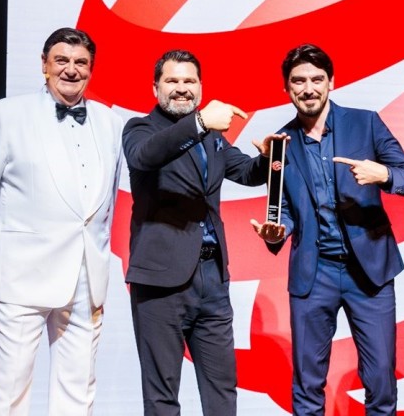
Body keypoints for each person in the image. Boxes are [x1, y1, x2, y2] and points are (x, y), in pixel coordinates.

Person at [0, 27, 124, 415]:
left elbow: (106, 199)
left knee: (78, 390)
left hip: (86, 276)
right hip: (23, 275)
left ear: (91, 69)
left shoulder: (109, 122)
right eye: (62, 60)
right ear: (44, 65)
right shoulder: (7, 115)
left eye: (81, 62)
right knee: (10, 390)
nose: (71, 70)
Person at [250, 43, 404, 415]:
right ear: (287, 87)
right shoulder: (279, 144)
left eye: (316, 79)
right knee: (307, 385)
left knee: (380, 381)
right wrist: (277, 231)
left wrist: (384, 174)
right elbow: (284, 209)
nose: (308, 88)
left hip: (370, 273)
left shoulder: (366, 123)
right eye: (299, 81)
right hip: (314, 274)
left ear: (331, 82)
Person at [122, 49, 287, 415]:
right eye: (172, 80)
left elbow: (245, 172)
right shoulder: (140, 129)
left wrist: (267, 158)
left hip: (212, 279)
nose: (182, 88)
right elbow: (145, 156)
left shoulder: (213, 138)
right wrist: (198, 123)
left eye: (189, 81)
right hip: (161, 282)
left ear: (200, 86)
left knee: (222, 391)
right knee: (162, 396)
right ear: (155, 88)